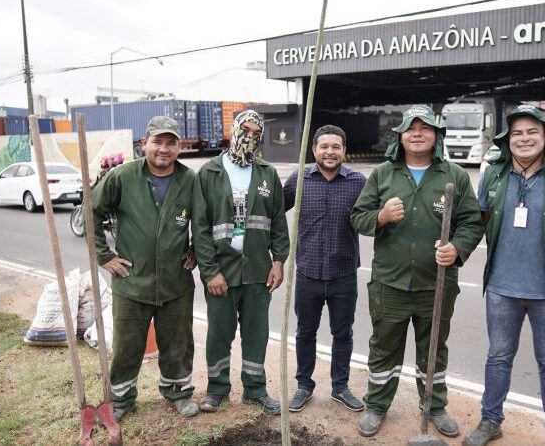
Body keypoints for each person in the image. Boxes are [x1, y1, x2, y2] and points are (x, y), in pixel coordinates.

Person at [462, 105, 545, 446]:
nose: (523, 139)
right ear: (507, 141)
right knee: (497, 357)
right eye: (516, 134)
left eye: (531, 132)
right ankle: (491, 421)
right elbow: (476, 224)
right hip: (501, 289)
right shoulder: (493, 176)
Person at [350, 105, 484, 438]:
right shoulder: (383, 174)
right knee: (384, 347)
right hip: (390, 283)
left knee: (434, 349)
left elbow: (471, 221)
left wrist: (457, 249)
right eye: (411, 128)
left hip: (436, 284)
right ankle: (377, 406)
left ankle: (434, 406)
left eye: (426, 128)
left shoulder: (453, 175)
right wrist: (380, 217)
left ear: (436, 135)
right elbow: (358, 217)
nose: (418, 133)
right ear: (401, 136)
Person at [91, 115, 199, 420]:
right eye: (157, 142)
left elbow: (202, 223)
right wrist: (104, 256)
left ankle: (177, 392)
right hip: (131, 281)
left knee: (178, 344)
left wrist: (195, 252)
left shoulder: (191, 180)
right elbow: (91, 212)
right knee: (126, 346)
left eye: (171, 143)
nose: (164, 149)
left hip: (175, 283)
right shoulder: (122, 177)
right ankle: (122, 400)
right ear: (144, 144)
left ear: (179, 147)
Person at [192, 109, 290, 415]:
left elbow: (276, 220)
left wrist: (279, 261)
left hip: (258, 271)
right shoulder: (209, 172)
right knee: (219, 334)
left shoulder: (267, 173)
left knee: (256, 333)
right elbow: (201, 228)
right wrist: (210, 273)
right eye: (244, 130)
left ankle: (255, 389)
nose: (249, 137)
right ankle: (218, 389)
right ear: (233, 131)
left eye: (255, 133)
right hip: (222, 271)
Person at [282, 125, 367, 413]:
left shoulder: (358, 182)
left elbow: (374, 218)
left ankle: (340, 387)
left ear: (344, 151)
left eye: (336, 147)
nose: (330, 152)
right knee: (305, 332)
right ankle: (304, 385)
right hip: (307, 273)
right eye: (324, 146)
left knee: (343, 333)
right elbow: (272, 212)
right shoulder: (299, 180)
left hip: (344, 274)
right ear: (314, 149)